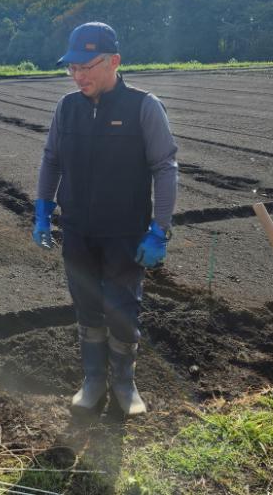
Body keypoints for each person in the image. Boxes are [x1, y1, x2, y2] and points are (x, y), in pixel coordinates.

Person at [33, 22, 178, 417]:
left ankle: (124, 384)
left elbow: (165, 167)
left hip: (125, 234)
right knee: (87, 307)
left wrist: (159, 230)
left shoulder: (143, 107)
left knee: (122, 309)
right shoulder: (67, 108)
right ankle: (93, 380)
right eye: (72, 68)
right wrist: (44, 210)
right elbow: (52, 159)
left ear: (114, 61)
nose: (78, 75)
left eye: (86, 66)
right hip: (78, 230)